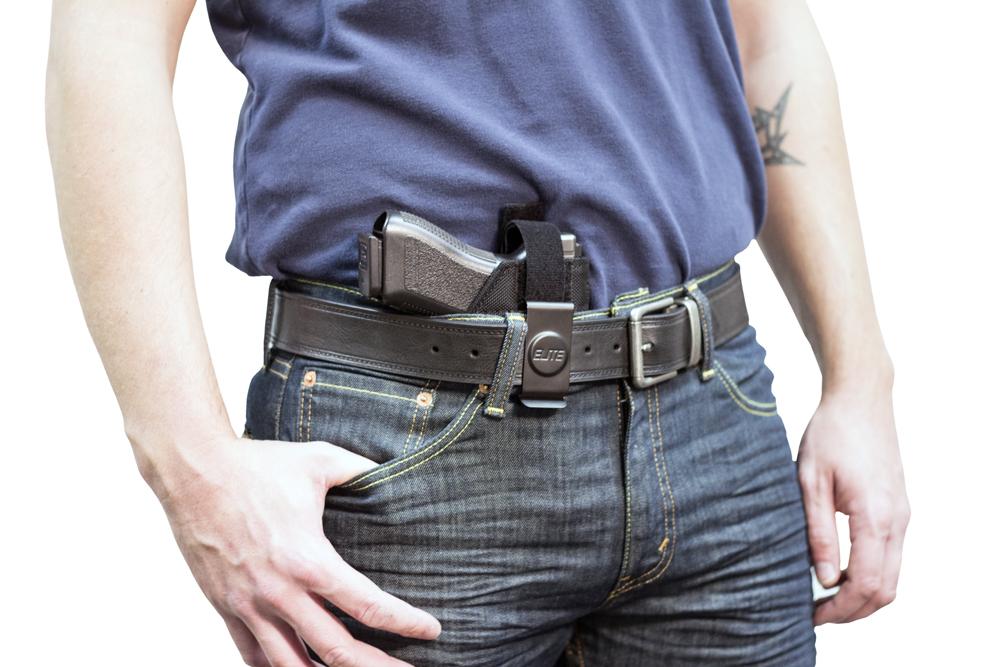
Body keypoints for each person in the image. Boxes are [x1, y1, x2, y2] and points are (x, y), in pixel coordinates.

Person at [46, 1, 909, 665]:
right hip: (406, 438)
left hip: (713, 417)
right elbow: (110, 33)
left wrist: (861, 380)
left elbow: (764, 32)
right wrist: (190, 467)